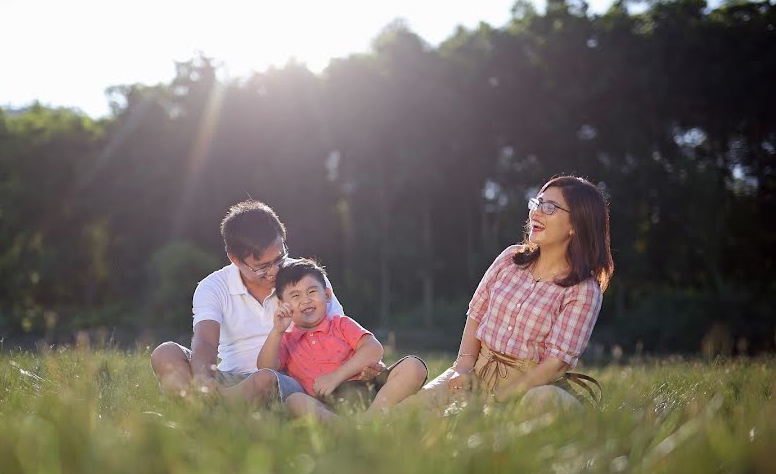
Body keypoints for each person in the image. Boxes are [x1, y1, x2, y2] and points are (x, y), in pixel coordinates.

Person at [404, 175, 614, 416]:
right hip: (475, 372)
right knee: (410, 414)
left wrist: (500, 399)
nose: (536, 213)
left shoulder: (584, 290)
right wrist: (462, 368)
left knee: (536, 402)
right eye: (537, 203)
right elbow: (476, 314)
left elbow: (556, 363)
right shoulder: (510, 259)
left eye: (550, 208)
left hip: (530, 388)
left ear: (576, 225)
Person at [150, 200, 382, 405]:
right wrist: (204, 381)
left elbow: (338, 330)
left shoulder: (306, 278)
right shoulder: (213, 286)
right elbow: (206, 343)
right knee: (165, 353)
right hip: (232, 379)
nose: (274, 271)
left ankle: (212, 412)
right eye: (262, 266)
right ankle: (199, 406)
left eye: (279, 258)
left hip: (288, 381)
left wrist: (363, 369)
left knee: (266, 378)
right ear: (234, 259)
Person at [257, 259, 428, 422]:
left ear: (327, 295)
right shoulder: (286, 340)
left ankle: (370, 421)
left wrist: (336, 377)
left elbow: (374, 349)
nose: (306, 300)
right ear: (282, 305)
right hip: (327, 405)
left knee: (414, 366)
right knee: (294, 401)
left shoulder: (340, 324)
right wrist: (277, 331)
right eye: (295, 296)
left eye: (312, 292)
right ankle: (347, 428)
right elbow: (266, 368)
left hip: (369, 389)